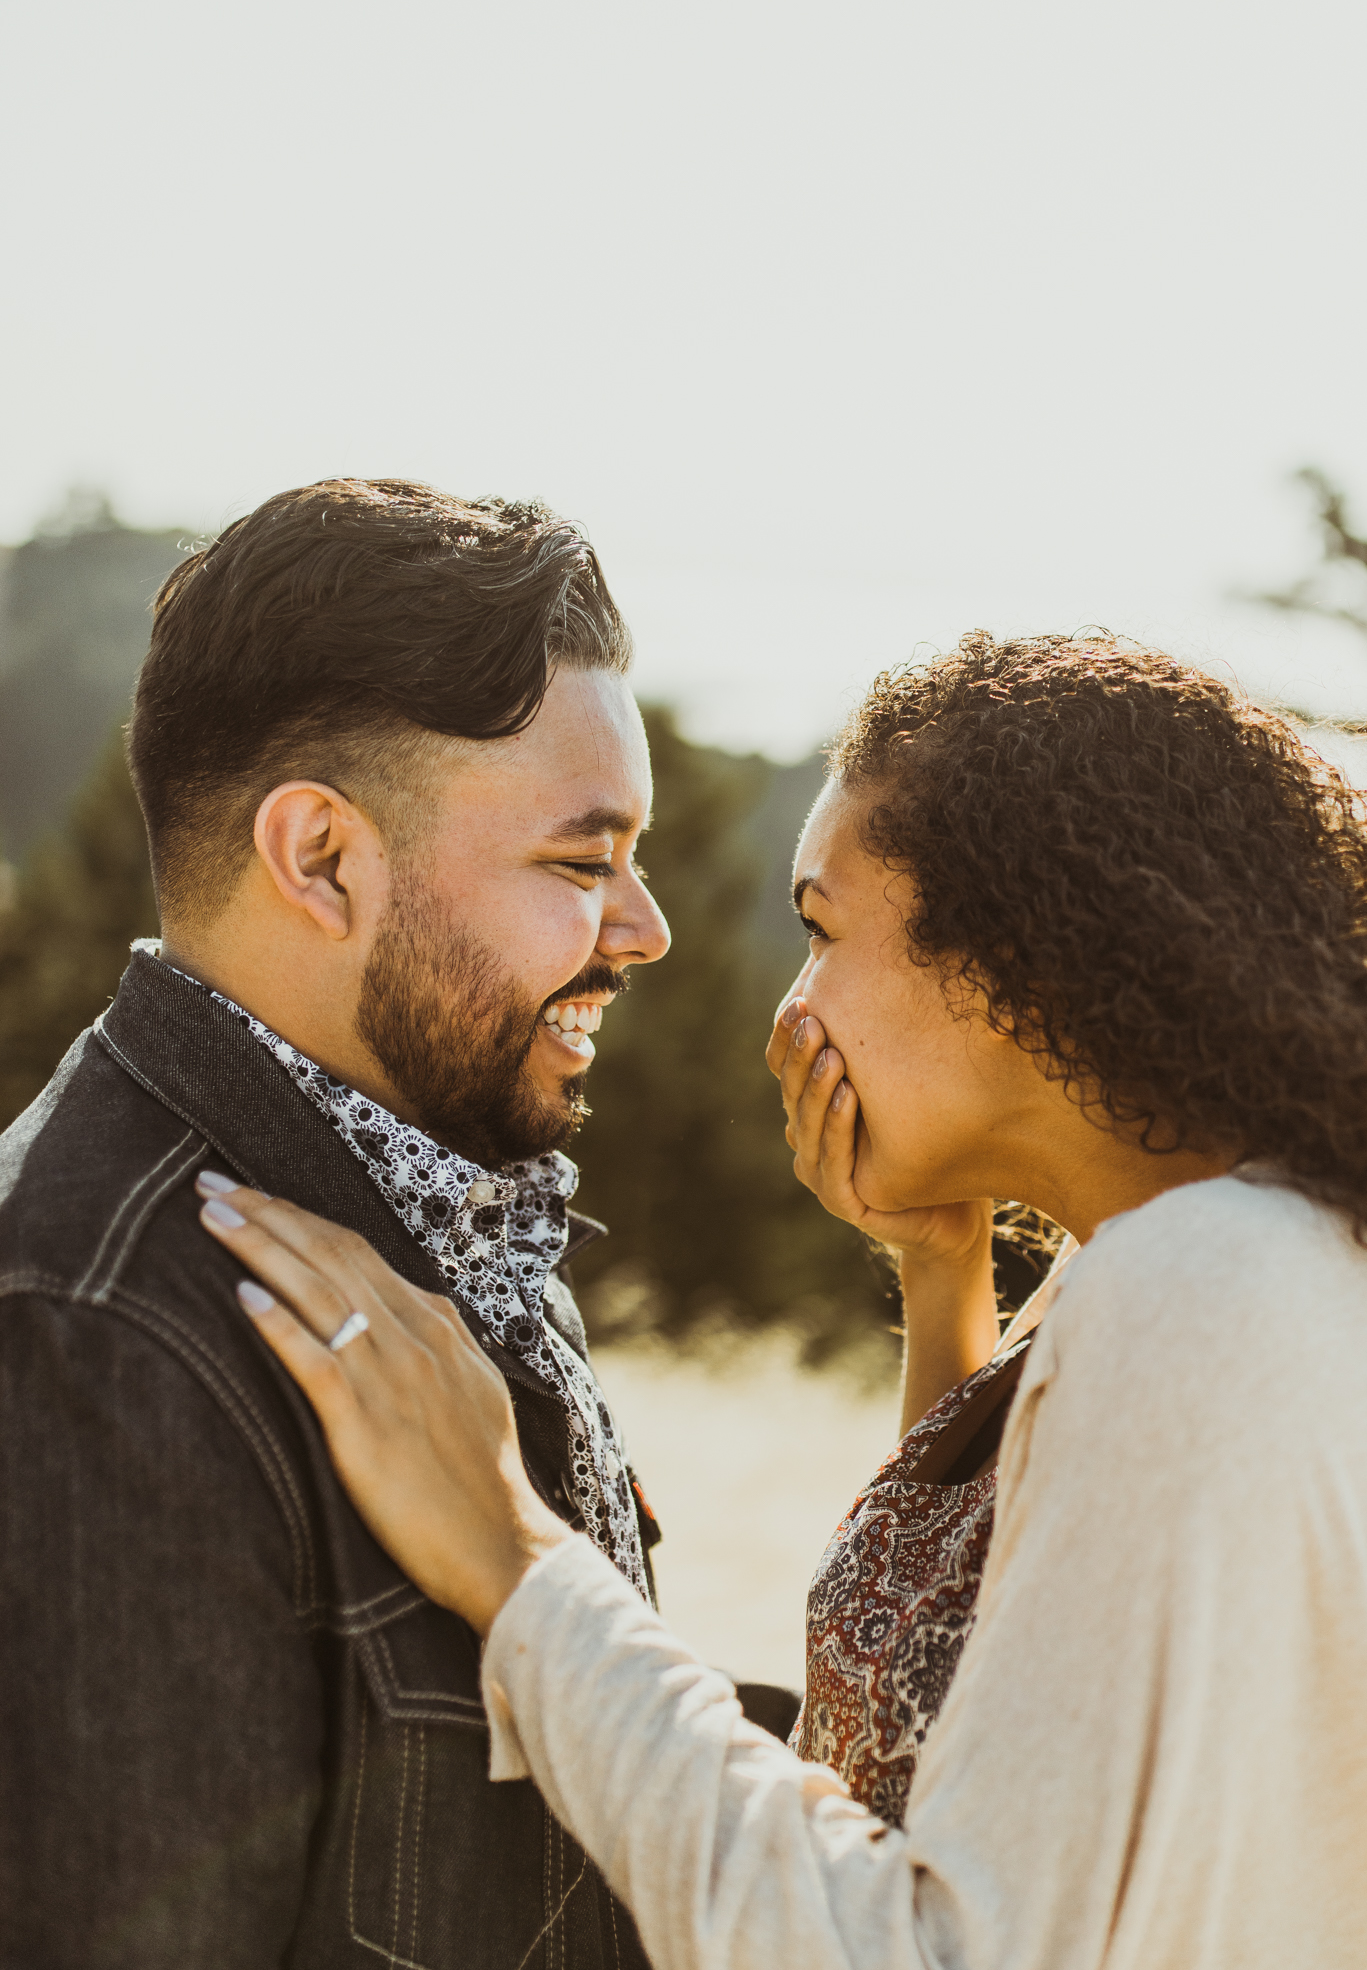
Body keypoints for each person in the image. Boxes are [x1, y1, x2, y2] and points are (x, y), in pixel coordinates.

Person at [206, 632, 1367, 1969]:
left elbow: (927, 1947)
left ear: (1013, 960)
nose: (793, 1002)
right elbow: (968, 1720)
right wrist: (943, 1273)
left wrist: (515, 1561)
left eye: (821, 930)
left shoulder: (1202, 1291)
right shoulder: (1230, 1258)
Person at [0, 479, 674, 1967]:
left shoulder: (437, 1192)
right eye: (581, 862)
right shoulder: (93, 1339)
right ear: (320, 858)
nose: (645, 927)